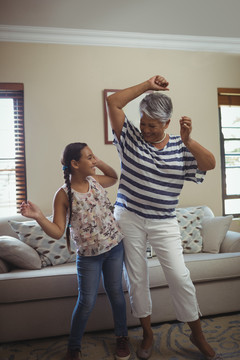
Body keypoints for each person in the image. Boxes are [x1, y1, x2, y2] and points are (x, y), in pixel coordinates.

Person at [106, 75, 222, 360]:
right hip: (129, 216)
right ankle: (147, 333)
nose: (145, 129)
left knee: (179, 277)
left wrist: (189, 141)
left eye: (152, 126)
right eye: (143, 123)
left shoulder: (181, 148)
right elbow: (113, 101)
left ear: (166, 124)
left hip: (164, 220)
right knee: (136, 277)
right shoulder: (130, 137)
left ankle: (197, 334)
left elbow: (210, 164)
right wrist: (147, 85)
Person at [20, 142, 130, 360]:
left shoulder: (95, 180)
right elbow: (58, 231)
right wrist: (40, 217)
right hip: (89, 257)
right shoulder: (63, 194)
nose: (93, 161)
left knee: (116, 293)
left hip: (114, 248)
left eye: (93, 157)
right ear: (74, 164)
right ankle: (74, 346)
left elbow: (114, 176)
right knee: (86, 301)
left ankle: (122, 337)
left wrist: (98, 161)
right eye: (89, 157)